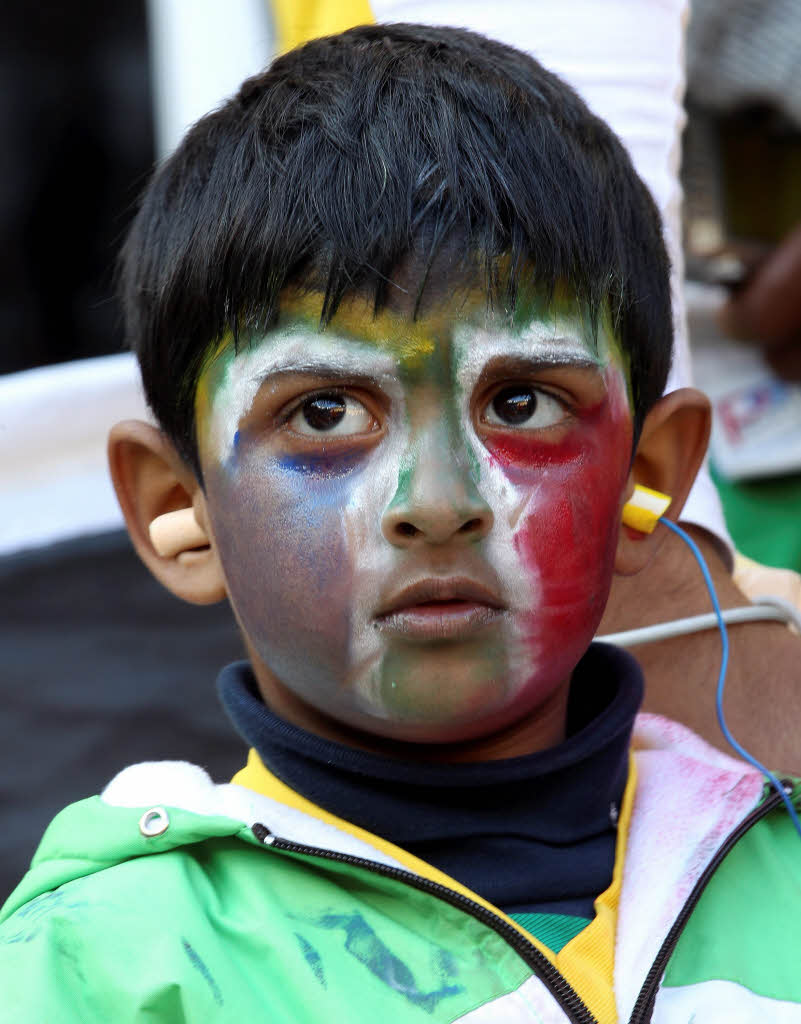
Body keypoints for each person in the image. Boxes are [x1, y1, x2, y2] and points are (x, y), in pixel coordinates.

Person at [1, 25, 799, 1023]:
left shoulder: (787, 886)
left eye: (522, 403)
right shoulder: (104, 967)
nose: (435, 501)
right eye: (325, 412)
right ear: (178, 509)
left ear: (649, 477)